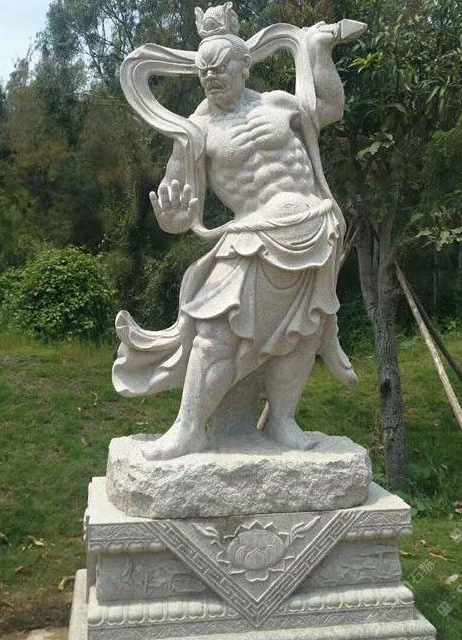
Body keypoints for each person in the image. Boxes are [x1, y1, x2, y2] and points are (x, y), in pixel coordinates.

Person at [113, 3, 357, 460]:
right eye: (203, 71)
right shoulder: (194, 132)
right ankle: (189, 428)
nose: (211, 77)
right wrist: (172, 216)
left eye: (220, 67)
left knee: (303, 331)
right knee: (216, 332)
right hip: (254, 236)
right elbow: (178, 206)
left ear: (244, 65)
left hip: (316, 229)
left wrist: (320, 51)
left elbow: (330, 107)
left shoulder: (278, 103)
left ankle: (282, 420)